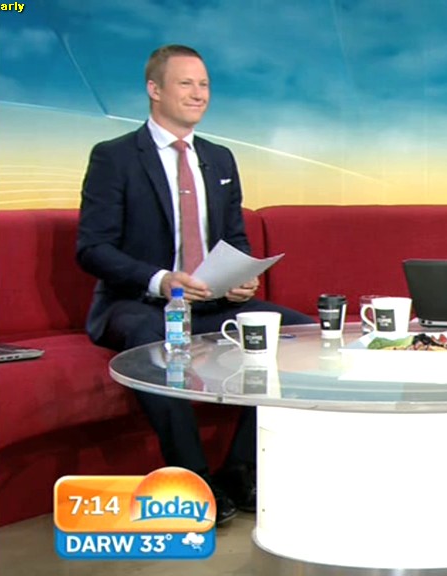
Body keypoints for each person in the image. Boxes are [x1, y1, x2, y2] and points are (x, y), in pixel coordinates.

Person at [76, 44, 312, 526]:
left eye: (204, 84)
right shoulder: (115, 157)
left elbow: (235, 239)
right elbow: (92, 248)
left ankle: (241, 468)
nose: (198, 93)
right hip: (139, 303)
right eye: (186, 83)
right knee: (156, 342)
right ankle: (193, 478)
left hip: (212, 303)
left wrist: (242, 277)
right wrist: (162, 281)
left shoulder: (219, 159)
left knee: (300, 335)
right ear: (154, 89)